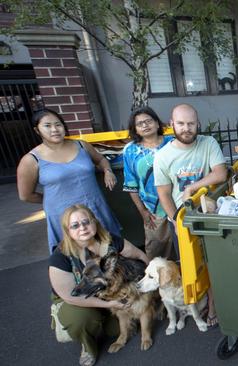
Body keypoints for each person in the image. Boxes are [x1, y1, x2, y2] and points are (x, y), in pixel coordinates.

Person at [153, 103, 228, 327]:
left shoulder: (208, 143)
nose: (186, 128)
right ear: (171, 124)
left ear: (198, 124)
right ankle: (194, 307)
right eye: (181, 123)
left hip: (208, 214)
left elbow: (220, 173)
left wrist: (193, 186)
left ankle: (214, 307)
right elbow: (164, 194)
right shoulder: (163, 156)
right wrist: (175, 220)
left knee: (216, 264)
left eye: (191, 123)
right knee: (193, 268)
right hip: (183, 222)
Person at [48, 204, 148, 366]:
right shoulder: (60, 257)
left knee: (118, 328)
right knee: (80, 320)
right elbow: (70, 296)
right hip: (77, 300)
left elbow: (140, 255)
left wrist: (151, 280)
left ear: (95, 222)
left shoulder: (110, 240)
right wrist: (110, 304)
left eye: (86, 222)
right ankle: (87, 346)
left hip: (108, 292)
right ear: (68, 230)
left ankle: (105, 320)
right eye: (75, 225)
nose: (83, 228)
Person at [17, 108, 121, 253]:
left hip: (94, 208)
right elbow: (26, 195)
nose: (54, 129)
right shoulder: (30, 160)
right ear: (37, 130)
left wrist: (107, 171)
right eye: (47, 126)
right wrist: (55, 202)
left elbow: (101, 159)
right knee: (76, 257)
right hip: (63, 216)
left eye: (58, 124)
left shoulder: (81, 145)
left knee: (109, 249)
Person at [122, 106, 175, 260]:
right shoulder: (130, 150)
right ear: (135, 129)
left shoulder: (172, 143)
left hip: (178, 204)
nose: (145, 125)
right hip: (154, 211)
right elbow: (131, 185)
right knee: (157, 252)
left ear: (158, 123)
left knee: (184, 248)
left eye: (148, 121)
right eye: (140, 124)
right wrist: (143, 212)